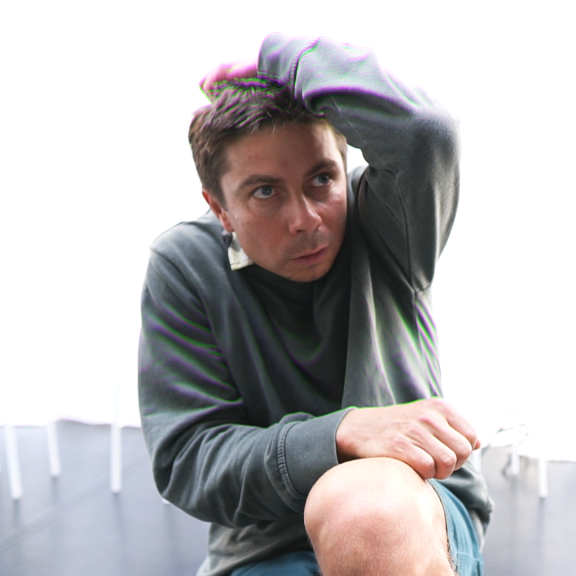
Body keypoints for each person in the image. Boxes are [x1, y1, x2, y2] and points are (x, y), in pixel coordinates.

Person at [138, 34, 493, 576]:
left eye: (321, 179)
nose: (305, 219)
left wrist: (285, 58)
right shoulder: (184, 264)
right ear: (220, 209)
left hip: (415, 509)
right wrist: (339, 433)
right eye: (265, 192)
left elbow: (426, 132)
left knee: (363, 511)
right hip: (267, 542)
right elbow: (189, 459)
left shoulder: (385, 226)